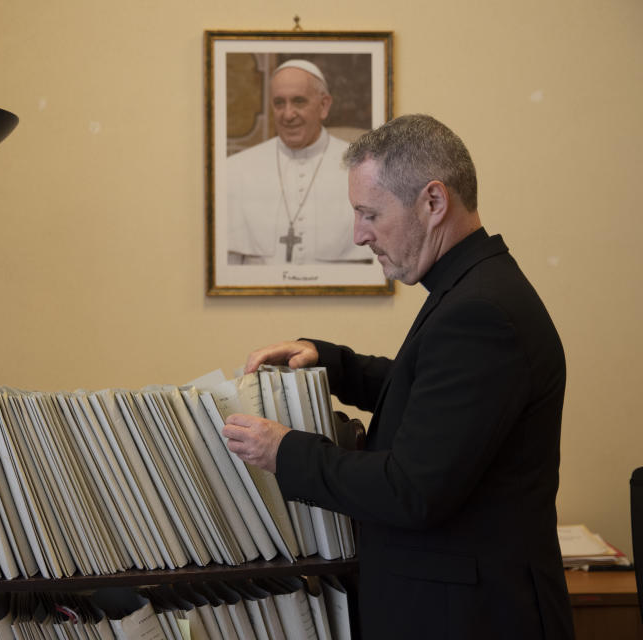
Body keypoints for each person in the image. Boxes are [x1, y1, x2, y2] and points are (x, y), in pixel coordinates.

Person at [222, 114, 574, 639]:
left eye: (369, 213)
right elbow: (436, 397)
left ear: (433, 202)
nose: (359, 234)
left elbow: (411, 490)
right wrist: (330, 361)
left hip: (469, 618)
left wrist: (286, 451)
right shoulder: (475, 289)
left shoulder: (480, 312)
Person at [226, 59, 372, 265]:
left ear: (324, 105)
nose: (288, 114)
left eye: (299, 101)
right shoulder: (235, 169)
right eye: (279, 103)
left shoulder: (362, 167)